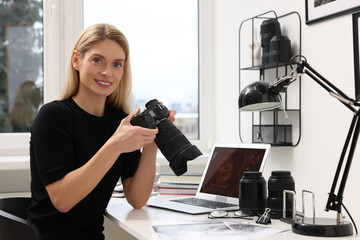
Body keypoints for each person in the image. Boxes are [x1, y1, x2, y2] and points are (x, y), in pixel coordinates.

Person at [27, 23, 176, 240]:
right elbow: (63, 200)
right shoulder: (53, 116)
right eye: (97, 60)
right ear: (76, 60)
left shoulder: (120, 121)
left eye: (117, 64)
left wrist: (153, 140)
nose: (107, 72)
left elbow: (137, 198)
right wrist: (115, 145)